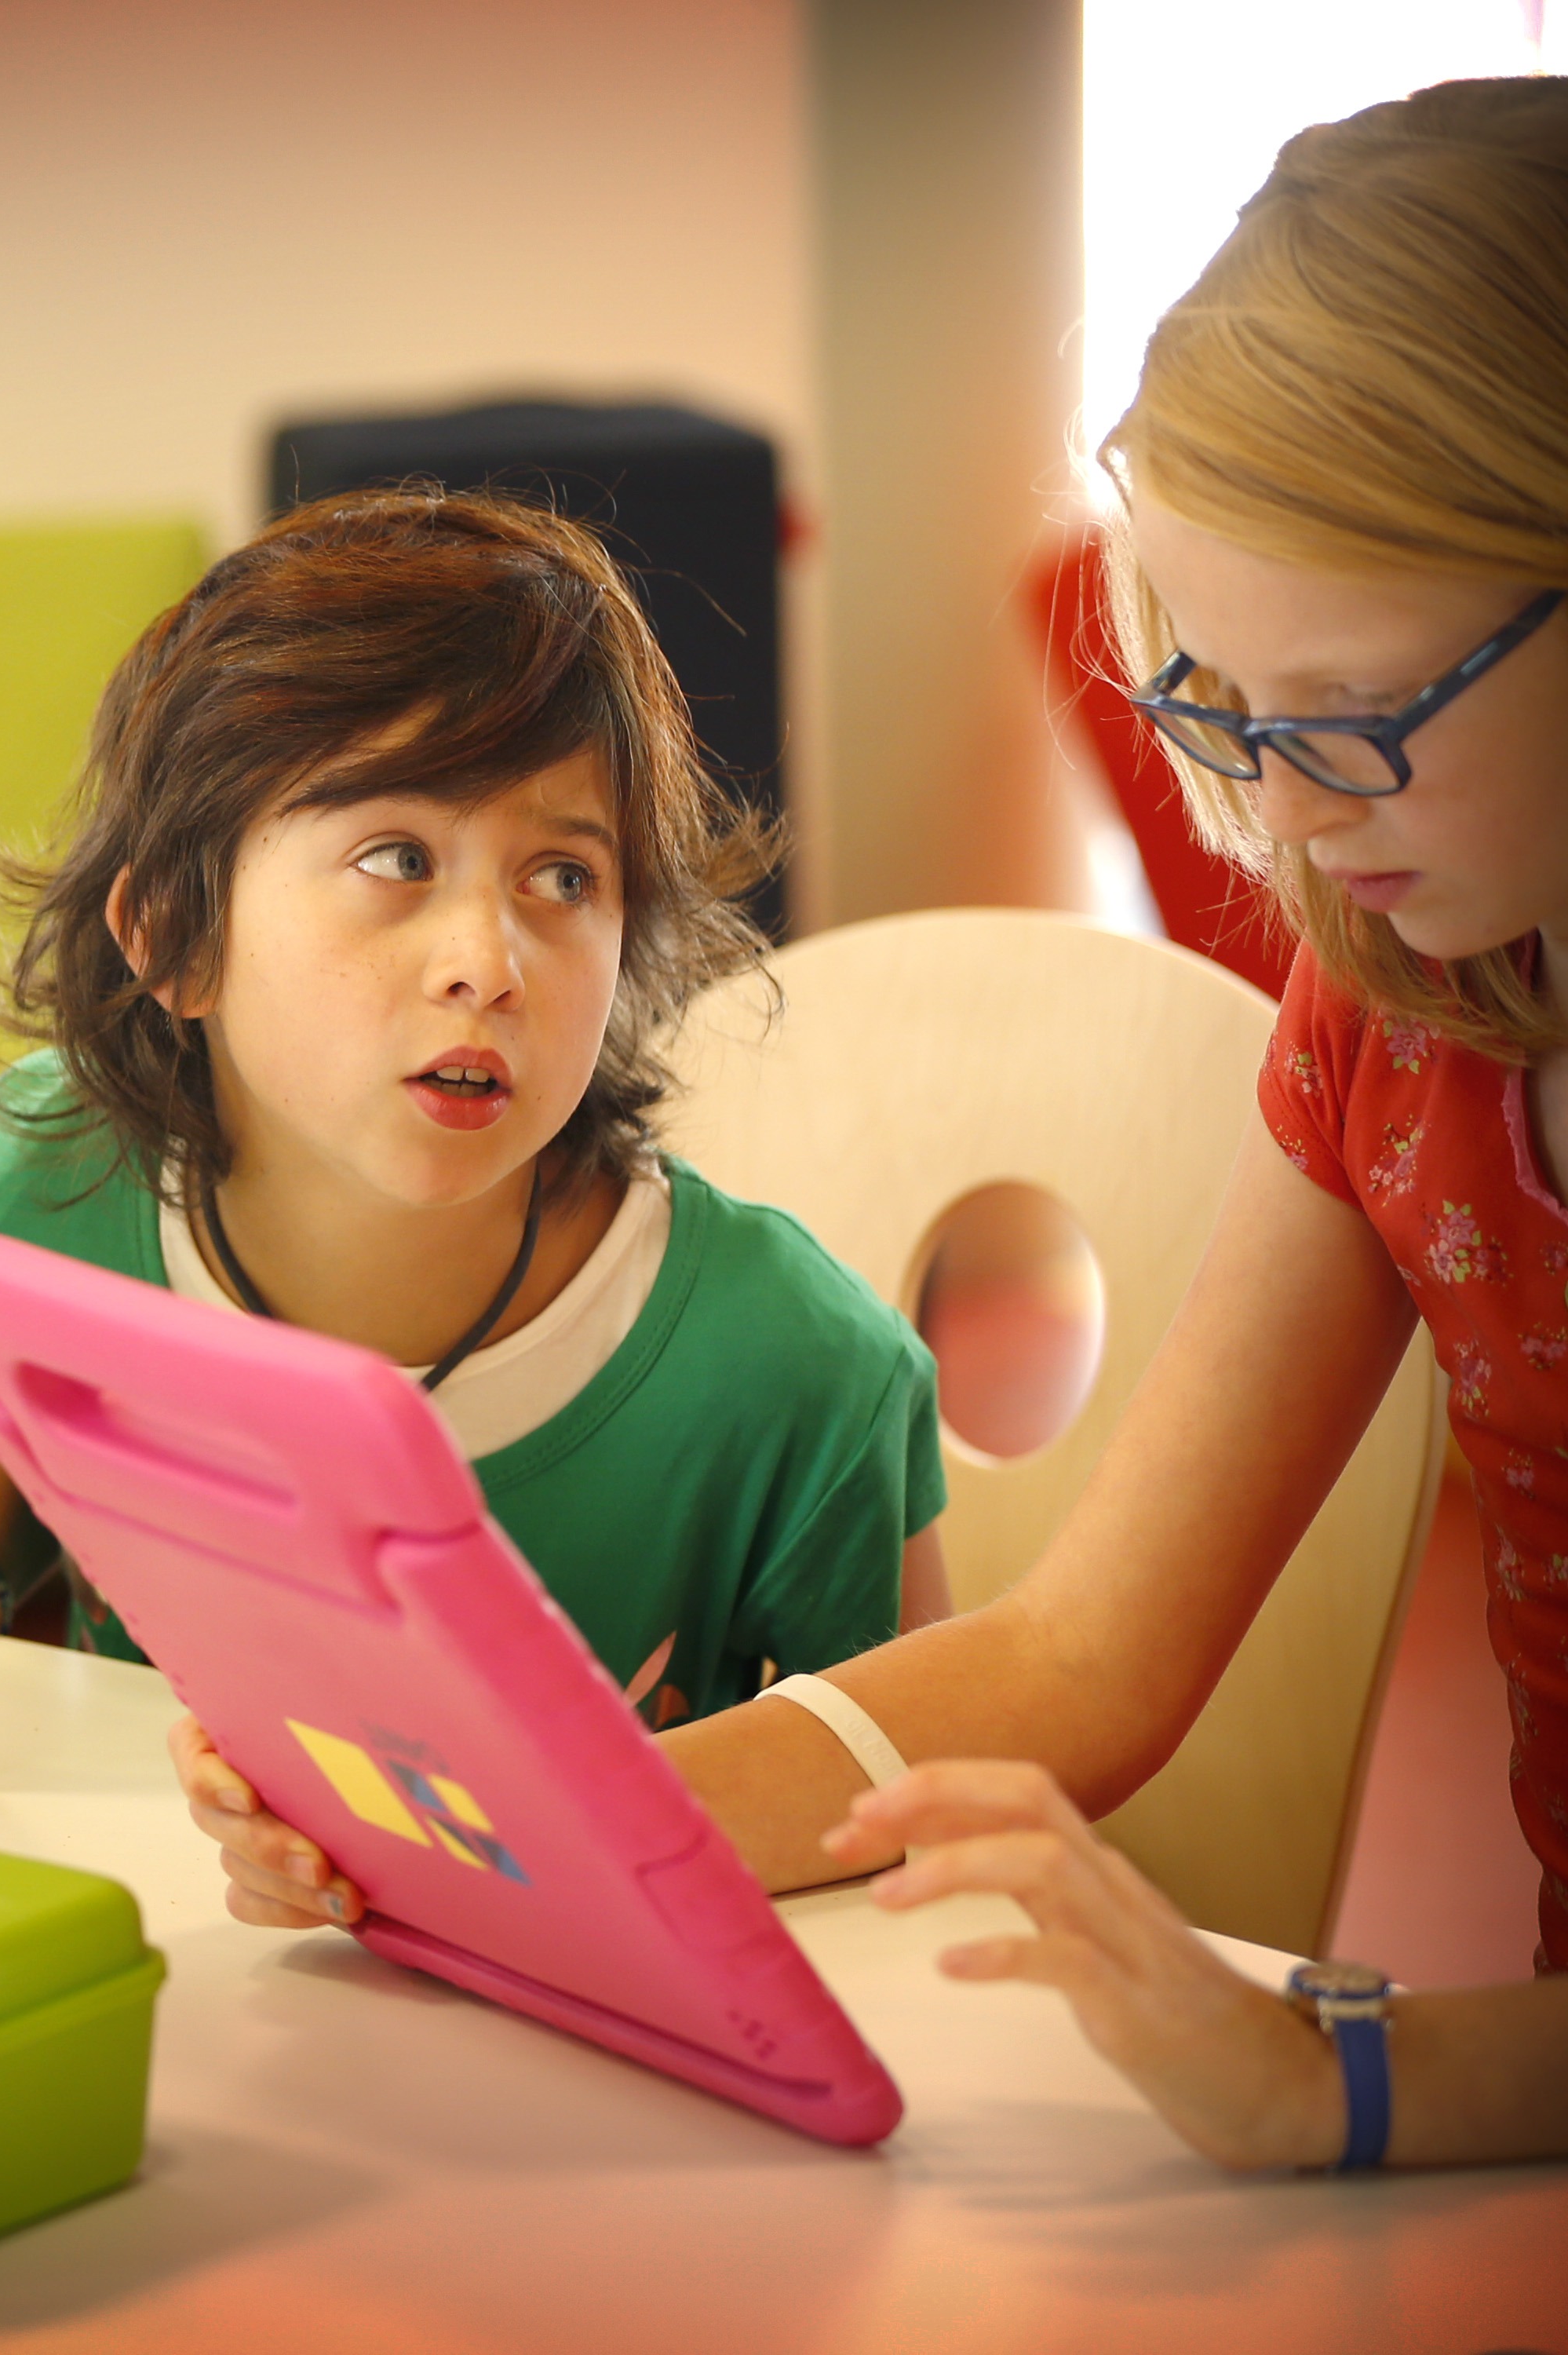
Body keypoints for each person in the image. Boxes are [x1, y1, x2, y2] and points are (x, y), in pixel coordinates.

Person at [176, 80, 1568, 2172]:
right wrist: (521, 1838)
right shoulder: (1397, 1021)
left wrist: (1341, 2076)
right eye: (1220, 713)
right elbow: (1092, 1651)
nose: (1280, 821)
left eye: (1354, 719)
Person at [0, 487, 950, 1726]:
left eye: (563, 877)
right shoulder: (47, 1181)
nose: (490, 960)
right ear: (173, 937)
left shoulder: (794, 1373)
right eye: (399, 859)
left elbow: (927, 1810)